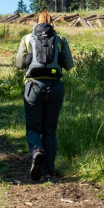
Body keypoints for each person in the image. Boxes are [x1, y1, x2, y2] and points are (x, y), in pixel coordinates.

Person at [15, 10, 73, 181]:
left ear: (36, 22)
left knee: (33, 128)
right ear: (52, 22)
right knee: (49, 130)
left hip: (33, 87)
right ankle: (48, 172)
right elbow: (69, 65)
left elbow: (19, 64)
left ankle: (36, 151)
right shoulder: (60, 39)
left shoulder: (27, 38)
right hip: (55, 87)